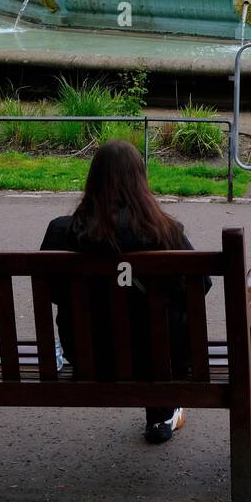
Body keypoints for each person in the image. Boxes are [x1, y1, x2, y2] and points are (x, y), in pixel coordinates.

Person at [40, 139, 210, 445]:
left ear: (93, 180)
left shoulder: (61, 232)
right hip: (158, 360)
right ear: (140, 181)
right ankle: (162, 413)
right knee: (161, 324)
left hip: (87, 355)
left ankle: (162, 413)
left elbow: (52, 292)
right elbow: (199, 289)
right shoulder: (166, 233)